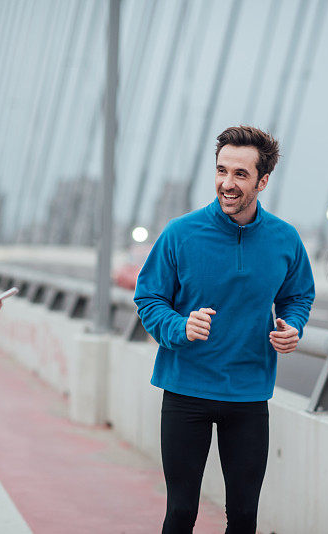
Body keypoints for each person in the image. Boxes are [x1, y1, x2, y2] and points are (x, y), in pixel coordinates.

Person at [134, 125, 315, 533]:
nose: (226, 184)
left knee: (245, 516)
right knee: (181, 512)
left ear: (262, 181)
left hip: (249, 395)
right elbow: (148, 299)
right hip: (185, 392)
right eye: (221, 171)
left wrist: (293, 327)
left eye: (240, 174)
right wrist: (180, 325)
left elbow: (298, 295)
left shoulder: (285, 239)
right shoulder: (180, 233)